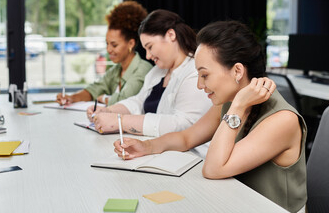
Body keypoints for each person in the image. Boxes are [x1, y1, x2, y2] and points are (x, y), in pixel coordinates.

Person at [113, 21, 307, 213]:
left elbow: (213, 169)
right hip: (237, 203)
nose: (199, 85)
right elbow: (186, 138)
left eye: (204, 75)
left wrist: (238, 106)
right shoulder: (229, 101)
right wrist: (146, 147)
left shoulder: (281, 120)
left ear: (237, 71)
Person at [87, 9, 212, 136]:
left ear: (171, 35)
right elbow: (138, 102)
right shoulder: (157, 72)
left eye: (150, 47)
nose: (147, 56)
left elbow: (183, 124)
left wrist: (120, 121)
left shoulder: (195, 72)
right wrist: (108, 111)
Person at [56, 1, 152, 106]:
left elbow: (124, 101)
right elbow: (95, 89)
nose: (108, 49)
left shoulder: (143, 70)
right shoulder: (116, 70)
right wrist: (71, 98)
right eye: (107, 43)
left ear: (131, 44)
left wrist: (104, 98)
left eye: (114, 45)